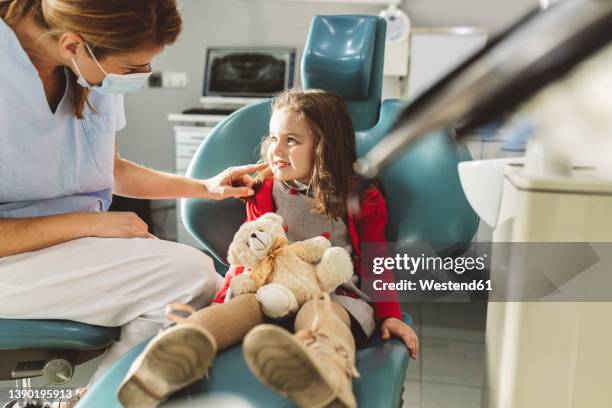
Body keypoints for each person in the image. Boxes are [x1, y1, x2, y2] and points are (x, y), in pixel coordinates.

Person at [0, 0, 265, 392]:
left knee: (199, 281)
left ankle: (91, 395)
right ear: (74, 45)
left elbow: (111, 169)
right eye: (133, 68)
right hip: (14, 255)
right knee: (189, 279)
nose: (141, 76)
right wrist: (91, 223)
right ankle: (104, 399)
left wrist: (204, 187)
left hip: (71, 245)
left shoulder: (89, 71)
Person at [118, 89, 419, 408]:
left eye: (292, 140)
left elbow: (376, 260)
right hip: (269, 291)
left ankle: (328, 380)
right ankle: (163, 364)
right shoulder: (262, 188)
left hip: (330, 295)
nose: (276, 150)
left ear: (325, 144)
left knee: (320, 315)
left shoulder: (359, 197)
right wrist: (221, 302)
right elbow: (251, 249)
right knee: (238, 308)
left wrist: (390, 315)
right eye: (273, 137)